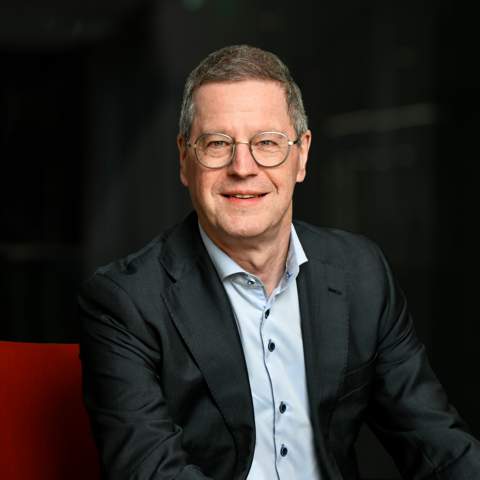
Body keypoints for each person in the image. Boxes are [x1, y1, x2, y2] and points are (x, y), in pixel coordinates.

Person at [78, 45, 480, 480]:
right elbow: (151, 472)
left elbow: (438, 445)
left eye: (267, 143)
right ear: (184, 159)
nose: (242, 167)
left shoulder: (360, 274)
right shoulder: (126, 302)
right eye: (217, 144)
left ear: (301, 155)